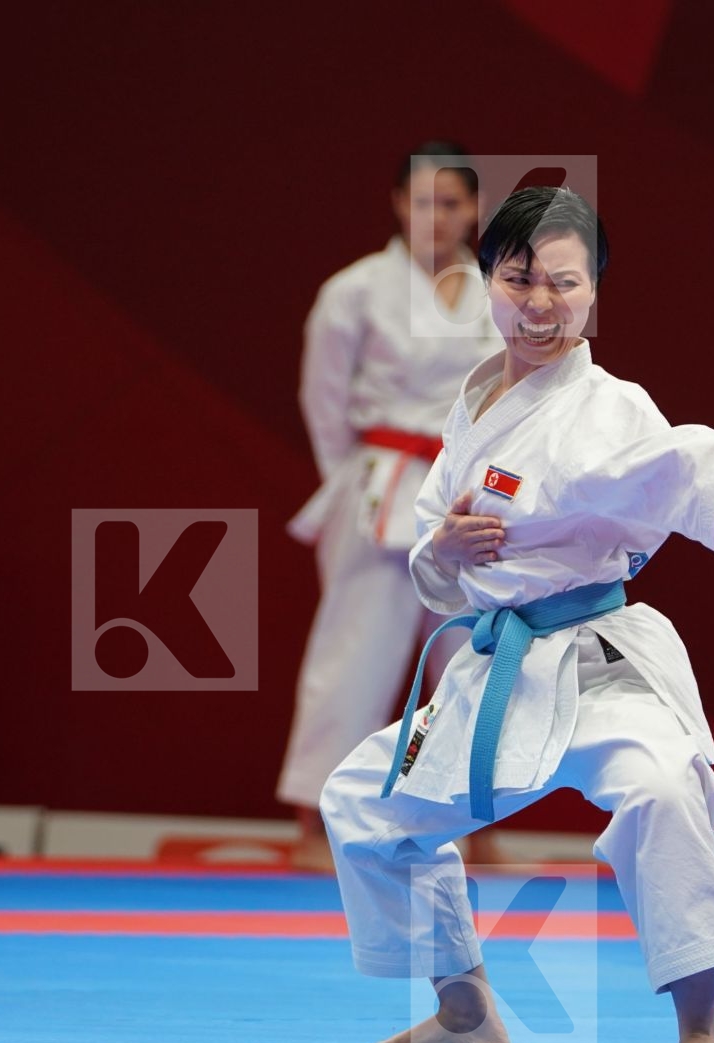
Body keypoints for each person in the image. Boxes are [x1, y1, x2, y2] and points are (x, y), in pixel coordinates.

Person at [318, 187, 714, 1043]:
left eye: (564, 282)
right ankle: (464, 1010)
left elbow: (672, 460)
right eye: (519, 278)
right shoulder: (478, 394)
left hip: (598, 658)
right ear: (486, 279)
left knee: (660, 791)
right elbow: (436, 560)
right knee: (362, 804)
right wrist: (439, 545)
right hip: (496, 664)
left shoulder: (609, 406)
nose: (540, 302)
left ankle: (701, 1036)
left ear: (594, 290)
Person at [279, 142, 503, 871]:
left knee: (473, 652)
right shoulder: (356, 289)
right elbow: (322, 400)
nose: (434, 218)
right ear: (396, 205)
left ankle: (472, 817)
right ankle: (318, 817)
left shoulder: (500, 292)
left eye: (451, 203)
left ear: (473, 210)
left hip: (463, 493)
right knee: (355, 650)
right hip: (378, 482)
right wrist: (352, 479)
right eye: (420, 202)